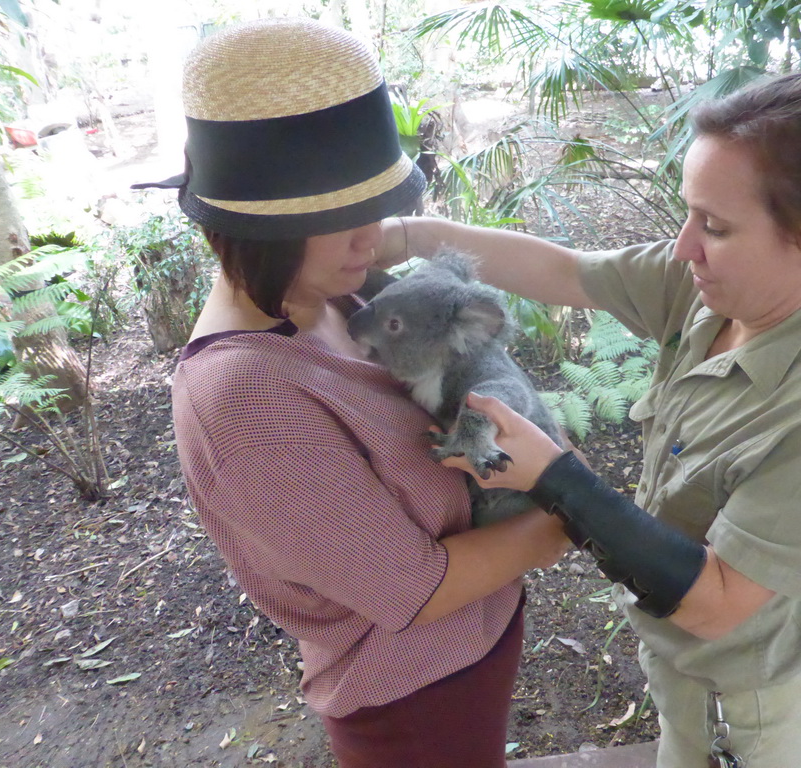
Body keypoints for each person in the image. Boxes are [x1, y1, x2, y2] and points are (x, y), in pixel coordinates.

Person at [375, 71, 801, 767]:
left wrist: (556, 477)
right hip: (674, 659)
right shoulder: (714, 286)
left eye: (715, 225)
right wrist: (412, 235)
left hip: (753, 693)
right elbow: (567, 273)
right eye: (689, 212)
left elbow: (715, 602)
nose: (683, 246)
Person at [139, 18, 570, 768]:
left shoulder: (328, 293)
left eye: (378, 206)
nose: (372, 238)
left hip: (472, 646)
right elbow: (416, 589)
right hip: (414, 699)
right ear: (253, 227)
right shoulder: (245, 400)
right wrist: (569, 510)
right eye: (341, 219)